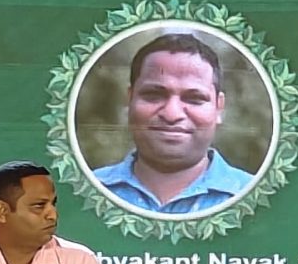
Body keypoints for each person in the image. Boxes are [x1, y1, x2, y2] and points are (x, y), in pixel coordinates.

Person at [90, 33, 255, 215]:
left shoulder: (258, 198)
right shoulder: (84, 191)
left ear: (219, 108)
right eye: (153, 95)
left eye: (194, 99)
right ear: (130, 100)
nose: (172, 114)